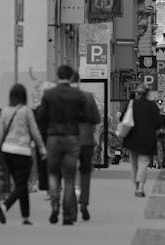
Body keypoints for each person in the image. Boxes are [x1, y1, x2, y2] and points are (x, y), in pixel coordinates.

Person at [36, 65, 87, 225]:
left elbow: (41, 116)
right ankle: (67, 215)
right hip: (72, 137)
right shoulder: (78, 95)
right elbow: (84, 116)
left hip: (53, 137)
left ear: (58, 75)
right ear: (70, 76)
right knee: (69, 177)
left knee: (53, 173)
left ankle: (54, 205)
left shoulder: (49, 94)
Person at [0, 83, 47, 225]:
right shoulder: (26, 111)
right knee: (22, 185)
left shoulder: (4, 111)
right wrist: (42, 148)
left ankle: (25, 217)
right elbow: (34, 131)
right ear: (24, 96)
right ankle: (4, 206)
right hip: (22, 152)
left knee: (20, 184)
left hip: (7, 151)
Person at [70, 71, 100, 221]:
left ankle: (72, 202)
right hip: (86, 139)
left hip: (69, 139)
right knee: (85, 172)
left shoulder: (64, 97)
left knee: (70, 172)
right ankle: (84, 202)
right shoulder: (88, 96)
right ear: (78, 80)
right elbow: (96, 118)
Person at [123, 84, 160, 197]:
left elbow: (123, 118)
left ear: (138, 93)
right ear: (148, 93)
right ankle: (140, 187)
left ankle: (137, 184)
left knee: (134, 164)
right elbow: (158, 123)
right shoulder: (152, 106)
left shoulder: (132, 104)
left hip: (132, 138)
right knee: (143, 163)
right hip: (147, 139)